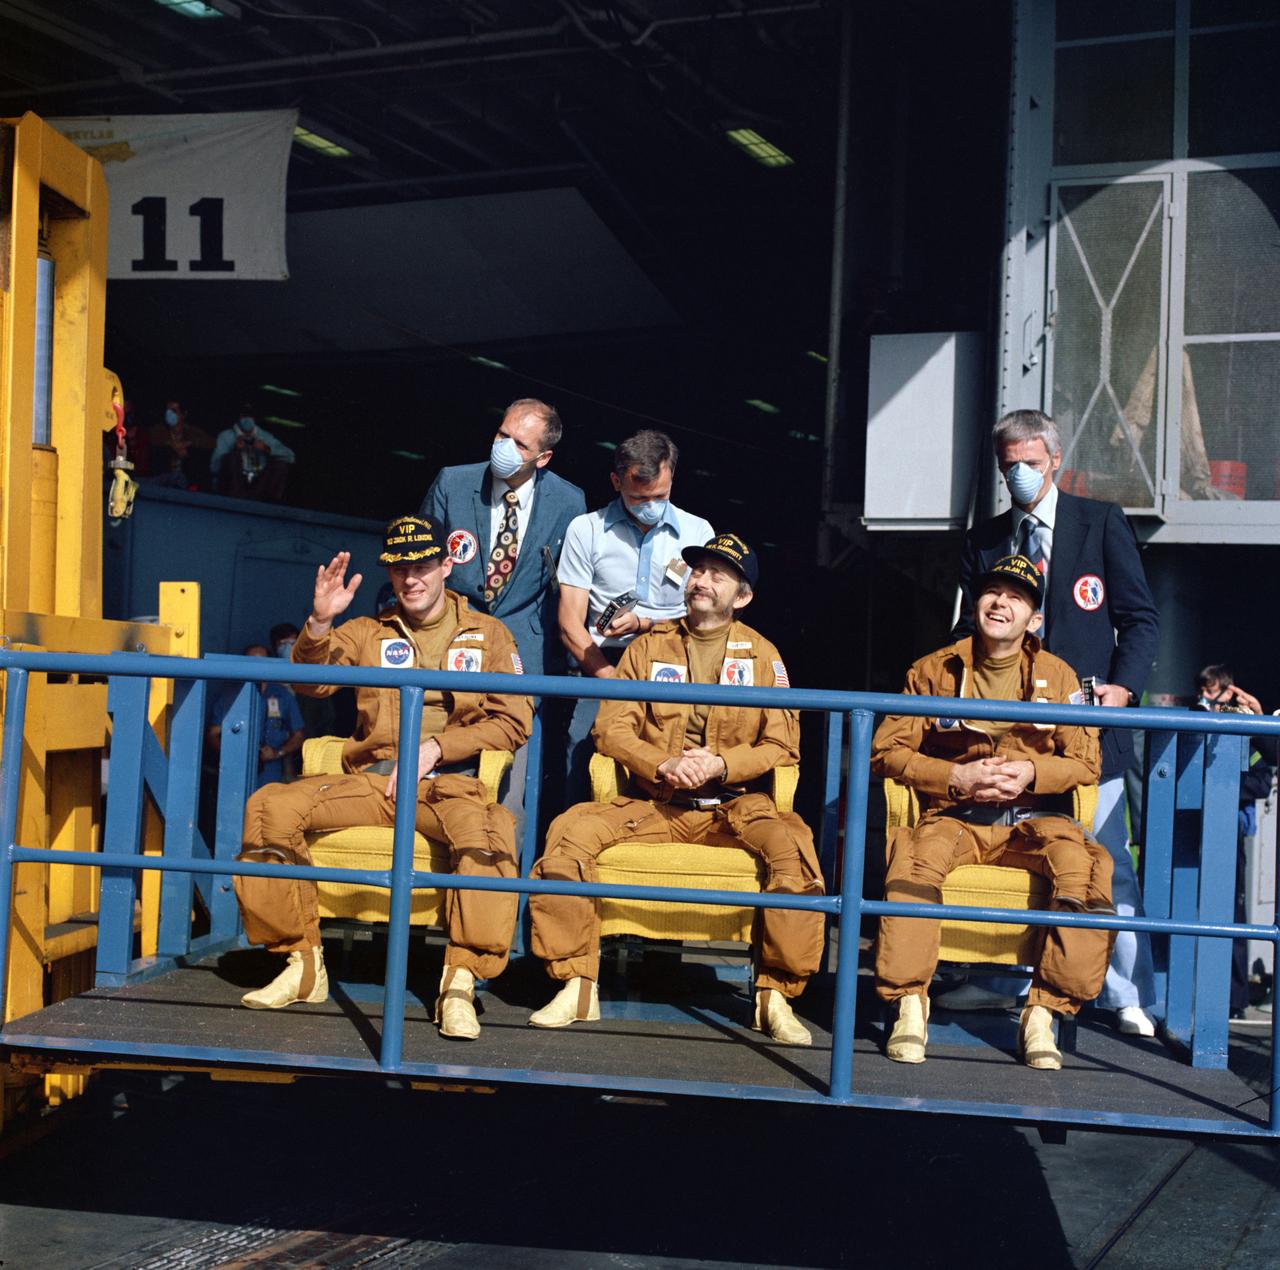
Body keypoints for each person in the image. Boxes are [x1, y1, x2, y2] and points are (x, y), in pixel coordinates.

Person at [233, 516, 532, 1041]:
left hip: (449, 782)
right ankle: (301, 964)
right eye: (398, 569)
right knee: (268, 807)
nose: (410, 579)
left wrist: (438, 747)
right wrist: (320, 623)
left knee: (490, 833)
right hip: (370, 780)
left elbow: (514, 720)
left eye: (421, 566)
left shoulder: (489, 634)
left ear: (445, 565)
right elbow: (313, 684)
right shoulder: (368, 631)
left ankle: (460, 981)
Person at [528, 533, 824, 1046]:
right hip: (654, 803)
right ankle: (576, 983)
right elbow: (610, 729)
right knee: (567, 834)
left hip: (735, 807)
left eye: (718, 575)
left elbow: (782, 743)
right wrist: (662, 762)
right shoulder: (649, 646)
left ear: (743, 596)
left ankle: (775, 994)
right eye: (698, 571)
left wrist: (721, 764)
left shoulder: (763, 655)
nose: (701, 581)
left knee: (795, 853)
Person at [947, 409, 1160, 1036]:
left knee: (1107, 860)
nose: (1018, 474)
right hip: (1010, 734)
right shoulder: (985, 540)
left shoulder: (1101, 523)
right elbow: (967, 630)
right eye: (1007, 464)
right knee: (1013, 854)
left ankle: (1124, 994)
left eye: (1030, 463)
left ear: (1056, 461)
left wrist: (1124, 687)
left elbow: (1140, 618)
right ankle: (998, 980)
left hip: (1089, 729)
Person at [873, 555, 1112, 1070]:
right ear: (975, 602)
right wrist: (952, 777)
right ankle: (910, 1004)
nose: (1001, 602)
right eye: (992, 592)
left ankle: (1044, 1012)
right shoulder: (933, 670)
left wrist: (1031, 773)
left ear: (1035, 619)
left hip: (1031, 822)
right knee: (912, 861)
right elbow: (886, 750)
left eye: (1017, 597)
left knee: (1085, 869)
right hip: (954, 816)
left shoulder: (1058, 673)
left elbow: (1087, 761)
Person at [558, 430, 714, 801]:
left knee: (678, 771)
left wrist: (645, 624)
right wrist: (612, 682)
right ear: (616, 482)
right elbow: (569, 623)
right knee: (583, 765)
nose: (650, 505)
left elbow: (707, 620)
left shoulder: (698, 532)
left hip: (681, 668)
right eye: (638, 498)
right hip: (603, 666)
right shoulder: (587, 530)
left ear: (672, 477)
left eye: (660, 496)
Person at [1193, 665, 1276, 1022]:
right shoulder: (1195, 724)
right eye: (1204, 692)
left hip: (1229, 831)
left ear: (1231, 693)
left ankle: (1233, 997)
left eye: (1214, 694)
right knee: (1189, 908)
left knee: (1231, 913)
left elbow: (1262, 781)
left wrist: (1256, 722)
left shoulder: (1250, 734)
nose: (1208, 700)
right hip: (1192, 826)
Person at [207, 644, 305, 790]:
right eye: (251, 661)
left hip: (271, 771)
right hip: (236, 769)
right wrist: (232, 754)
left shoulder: (283, 695)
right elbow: (212, 734)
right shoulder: (231, 694)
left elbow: (298, 736)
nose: (257, 666)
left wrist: (277, 753)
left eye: (262, 661)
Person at [210, 403, 295, 500]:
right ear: (238, 417)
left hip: (259, 484)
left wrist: (266, 449)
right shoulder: (225, 436)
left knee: (280, 465)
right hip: (234, 486)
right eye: (244, 415)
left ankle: (268, 503)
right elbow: (214, 467)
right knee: (232, 457)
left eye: (251, 415)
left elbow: (291, 457)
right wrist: (235, 450)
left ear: (255, 418)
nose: (247, 419)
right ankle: (235, 500)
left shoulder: (265, 436)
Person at [148, 398, 213, 490]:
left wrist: (188, 445)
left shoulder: (193, 432)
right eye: (168, 411)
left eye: (174, 411)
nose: (169, 414)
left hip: (186, 482)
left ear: (183, 414)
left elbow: (209, 442)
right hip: (163, 480)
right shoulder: (159, 430)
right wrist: (171, 444)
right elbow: (152, 437)